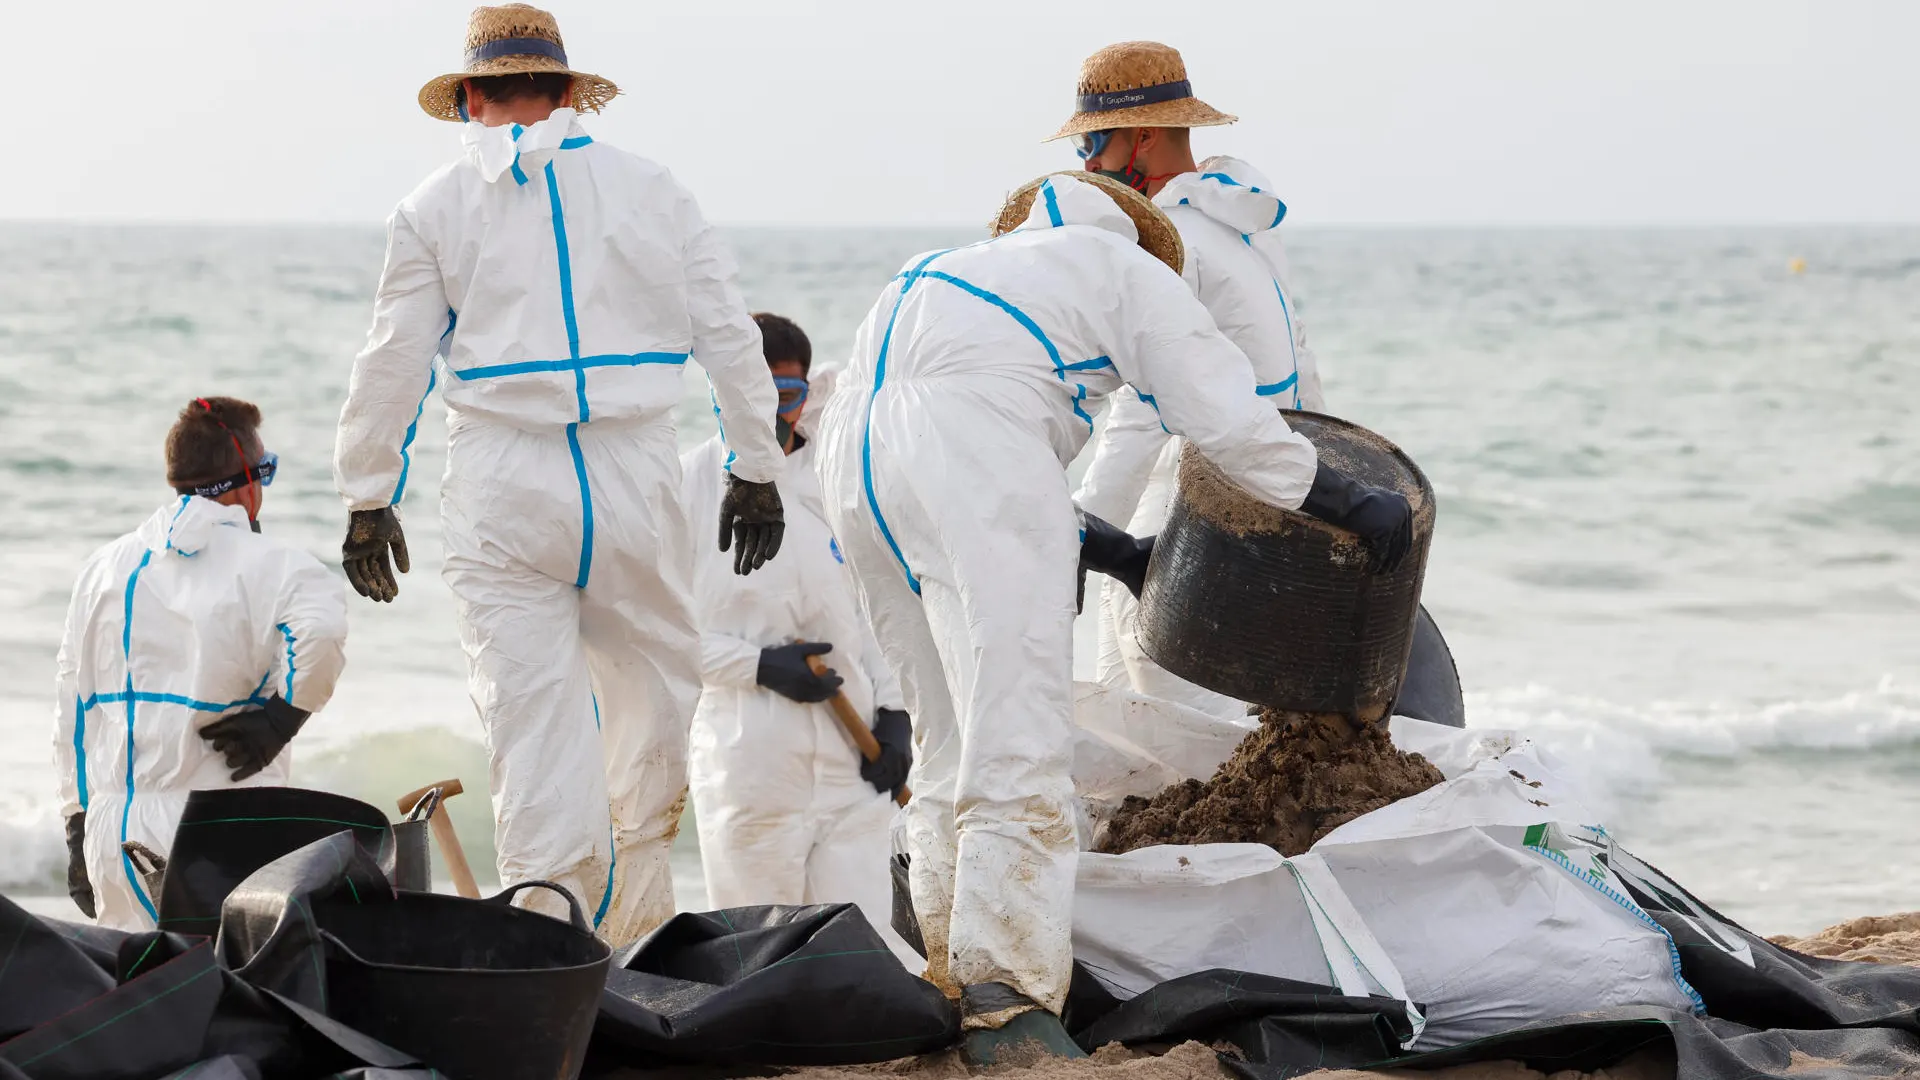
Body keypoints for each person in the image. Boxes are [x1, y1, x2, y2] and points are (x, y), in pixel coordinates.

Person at [814, 171, 1413, 1061]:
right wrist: (1342, 498)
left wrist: (1124, 556)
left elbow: (960, 428)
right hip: (959, 457)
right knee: (1017, 730)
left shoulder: (939, 270)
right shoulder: (1121, 266)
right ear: (1134, 236)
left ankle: (943, 965)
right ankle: (1007, 1003)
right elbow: (1227, 419)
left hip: (853, 468)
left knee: (945, 731)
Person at [332, 4, 787, 945]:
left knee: (530, 723)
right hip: (635, 464)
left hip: (504, 477)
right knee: (655, 696)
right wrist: (754, 463)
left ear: (467, 97)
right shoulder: (653, 187)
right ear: (573, 93)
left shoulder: (432, 207)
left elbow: (393, 363)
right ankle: (635, 926)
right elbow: (728, 333)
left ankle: (548, 934)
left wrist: (368, 496)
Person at [1056, 41, 1329, 718]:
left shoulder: (1165, 244)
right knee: (1209, 711)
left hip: (1183, 505)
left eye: (1092, 144)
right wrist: (1318, 494)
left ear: (1139, 138)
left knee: (1164, 717)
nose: (1086, 168)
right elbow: (1303, 372)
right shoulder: (1244, 227)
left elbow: (1145, 411)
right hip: (1261, 496)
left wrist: (1080, 532)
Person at [54, 397, 348, 930]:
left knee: (142, 997)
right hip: (217, 832)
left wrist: (76, 826)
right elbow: (322, 632)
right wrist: (285, 716)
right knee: (227, 995)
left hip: (113, 833)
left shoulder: (101, 568)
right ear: (245, 480)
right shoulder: (280, 565)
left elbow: (72, 712)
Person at [679, 313, 918, 966]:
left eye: (786, 396)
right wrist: (759, 666)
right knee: (757, 958)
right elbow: (662, 636)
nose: (771, 414)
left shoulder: (834, 482)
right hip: (750, 765)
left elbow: (877, 612)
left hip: (853, 764)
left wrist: (896, 715)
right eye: (752, 394)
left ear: (804, 393)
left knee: (864, 954)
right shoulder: (685, 489)